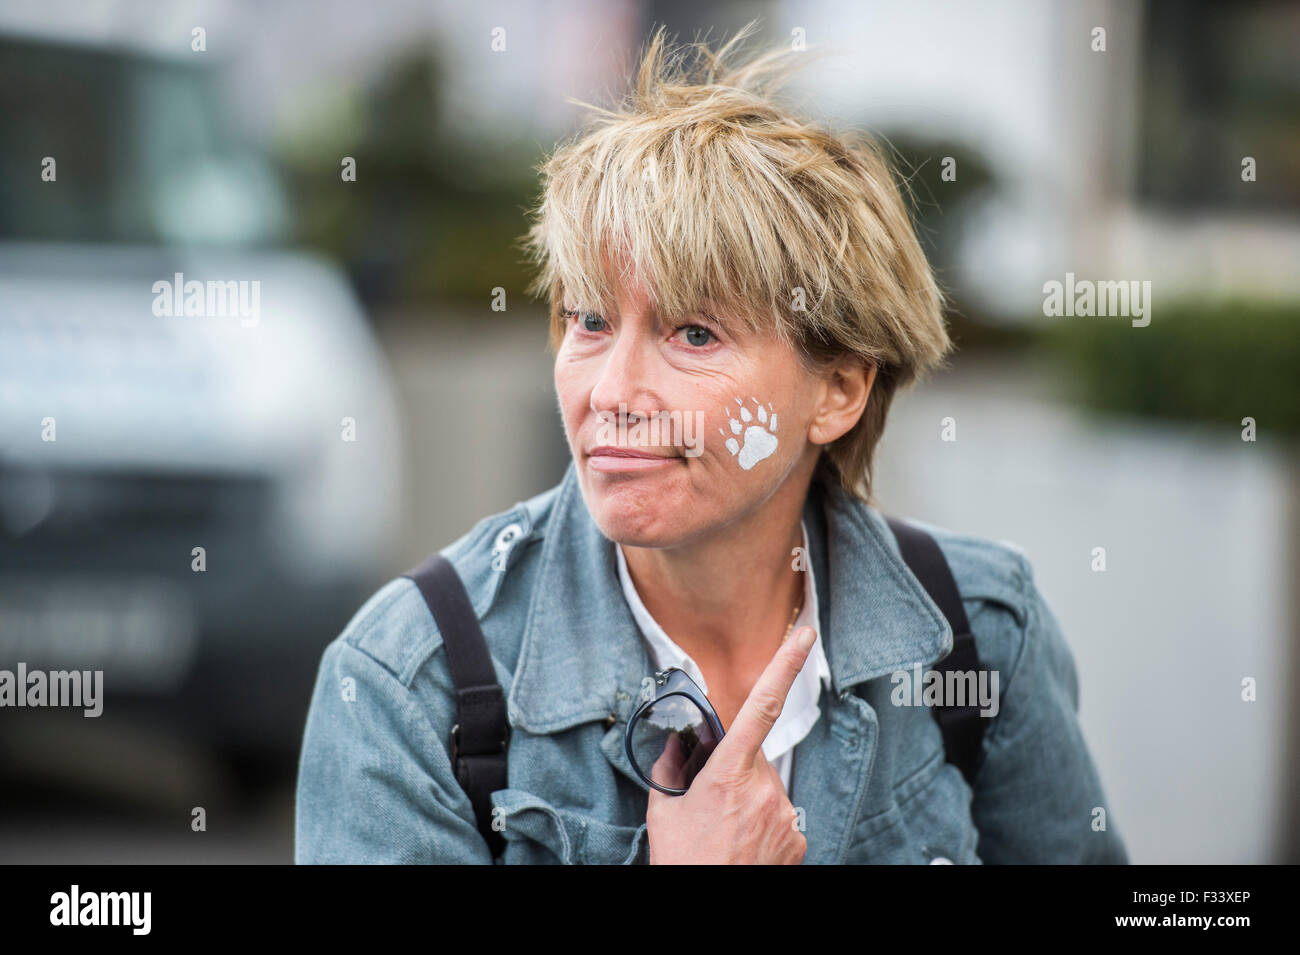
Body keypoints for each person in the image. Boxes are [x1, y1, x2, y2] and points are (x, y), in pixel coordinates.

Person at [295, 23, 1128, 865]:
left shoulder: (980, 634)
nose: (612, 393)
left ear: (839, 388)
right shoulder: (409, 681)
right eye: (588, 320)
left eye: (693, 333)